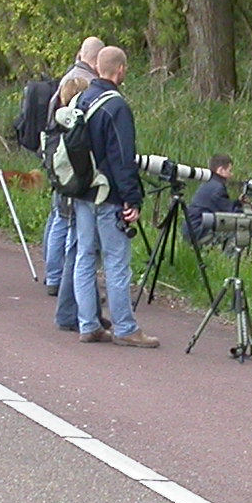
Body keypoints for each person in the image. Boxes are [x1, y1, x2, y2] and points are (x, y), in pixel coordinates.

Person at [71, 45, 157, 348]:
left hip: (81, 191)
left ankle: (89, 324)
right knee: (116, 261)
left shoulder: (82, 97)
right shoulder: (117, 107)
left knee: (84, 257)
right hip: (108, 196)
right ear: (120, 70)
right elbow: (123, 158)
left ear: (96, 67)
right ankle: (124, 326)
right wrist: (132, 200)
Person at [41, 37, 103, 303]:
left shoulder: (68, 76)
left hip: (55, 156)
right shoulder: (83, 83)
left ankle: (54, 275)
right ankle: (61, 279)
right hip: (71, 163)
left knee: (58, 217)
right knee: (67, 221)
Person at [185, 154, 241, 245]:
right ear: (221, 170)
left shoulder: (208, 183)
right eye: (229, 171)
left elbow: (222, 205)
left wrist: (238, 203)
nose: (231, 174)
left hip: (192, 229)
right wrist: (250, 209)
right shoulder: (218, 188)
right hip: (199, 232)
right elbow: (232, 215)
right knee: (240, 229)